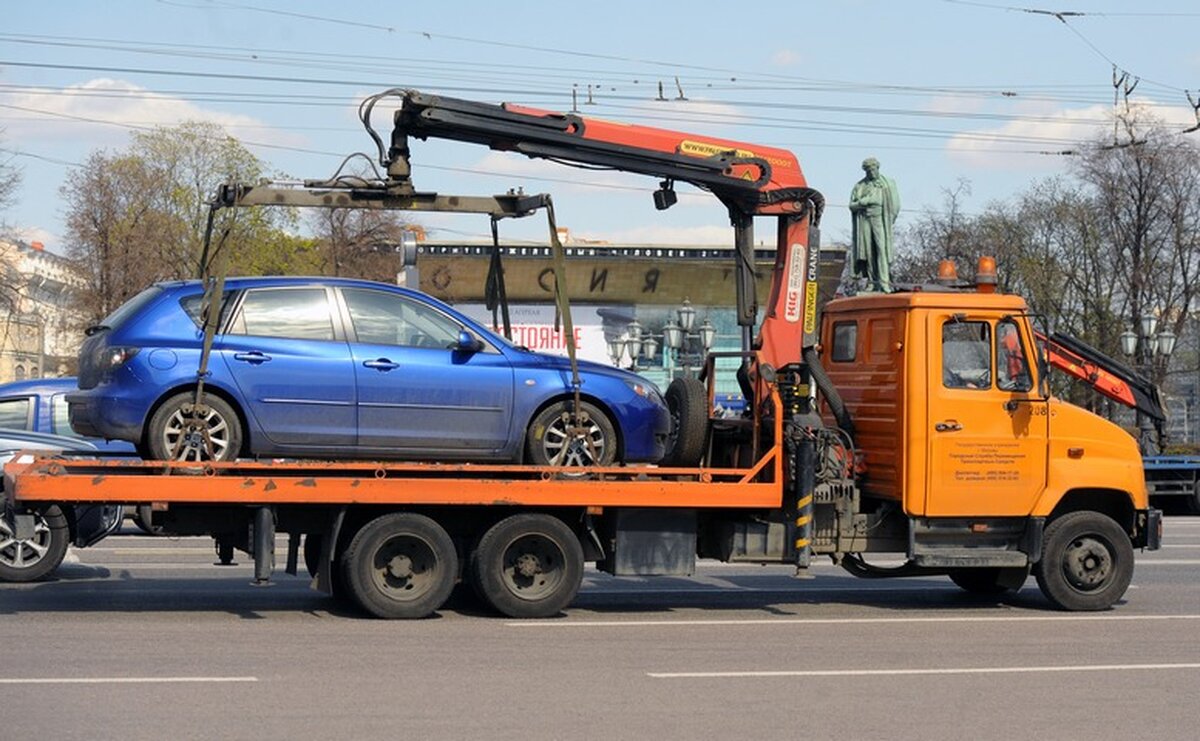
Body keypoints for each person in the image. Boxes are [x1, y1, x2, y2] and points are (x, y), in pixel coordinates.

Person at [849, 157, 901, 292]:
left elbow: (895, 205)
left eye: (873, 169)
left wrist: (889, 221)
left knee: (881, 250)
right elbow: (851, 205)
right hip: (865, 219)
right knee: (869, 252)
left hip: (880, 219)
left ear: (878, 168)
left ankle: (884, 282)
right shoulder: (860, 186)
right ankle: (872, 282)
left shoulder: (888, 183)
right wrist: (862, 203)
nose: (871, 172)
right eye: (868, 170)